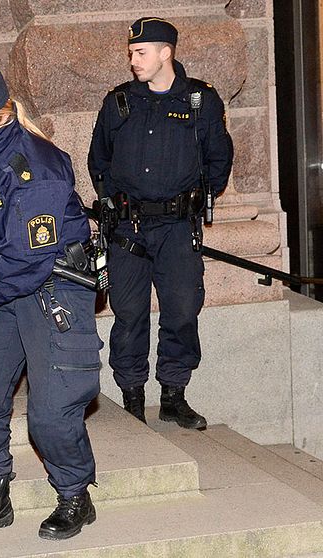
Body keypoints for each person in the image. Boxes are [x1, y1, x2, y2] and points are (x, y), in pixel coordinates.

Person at [0, 64, 102, 541]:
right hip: (2, 285)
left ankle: (74, 494)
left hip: (51, 287)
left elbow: (30, 263)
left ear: (2, 119)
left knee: (50, 413)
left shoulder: (37, 165)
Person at [88, 17, 233, 429]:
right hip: (128, 229)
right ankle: (133, 397)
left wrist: (193, 197)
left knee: (182, 311)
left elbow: (219, 159)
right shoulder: (118, 103)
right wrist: (110, 201)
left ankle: (174, 395)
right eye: (131, 53)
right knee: (129, 312)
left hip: (176, 228)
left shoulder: (201, 102)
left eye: (141, 52)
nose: (133, 60)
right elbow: (98, 160)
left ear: (166, 52)